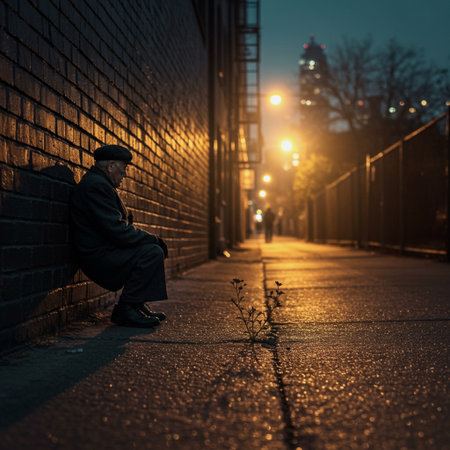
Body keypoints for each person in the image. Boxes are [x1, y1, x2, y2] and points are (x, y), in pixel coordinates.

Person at [70, 145, 168, 328]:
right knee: (152, 252)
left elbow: (115, 229)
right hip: (97, 256)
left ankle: (135, 304)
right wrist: (153, 239)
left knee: (151, 250)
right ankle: (126, 309)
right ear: (111, 166)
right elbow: (116, 230)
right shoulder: (96, 186)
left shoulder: (99, 184)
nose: (124, 173)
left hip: (104, 250)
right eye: (124, 167)